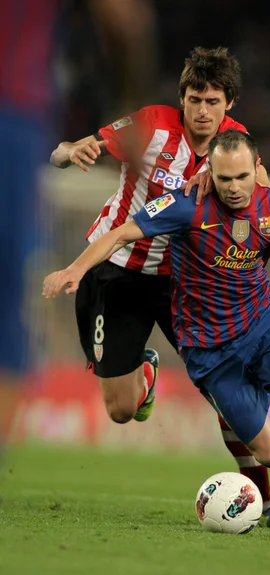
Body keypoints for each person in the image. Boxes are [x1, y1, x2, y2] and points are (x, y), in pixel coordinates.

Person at [43, 129, 270, 540]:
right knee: (266, 451)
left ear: (257, 169)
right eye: (225, 178)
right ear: (209, 172)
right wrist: (75, 269)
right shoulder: (183, 207)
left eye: (243, 177)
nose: (234, 188)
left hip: (265, 326)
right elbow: (120, 233)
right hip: (209, 352)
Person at [49, 46, 270, 531]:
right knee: (121, 410)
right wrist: (72, 152)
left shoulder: (235, 146)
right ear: (181, 99)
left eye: (213, 101)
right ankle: (143, 374)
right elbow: (64, 151)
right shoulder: (151, 125)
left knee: (227, 397)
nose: (203, 111)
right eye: (194, 99)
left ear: (228, 103)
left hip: (186, 284)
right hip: (118, 268)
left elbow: (261, 193)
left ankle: (264, 501)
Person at [0, 0, 155, 462]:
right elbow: (126, 22)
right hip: (14, 114)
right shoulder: (147, 129)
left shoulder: (230, 155)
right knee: (120, 406)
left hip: (14, 110)